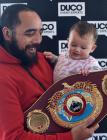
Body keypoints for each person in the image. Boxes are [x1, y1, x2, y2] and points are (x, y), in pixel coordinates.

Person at [0, 4, 99, 140]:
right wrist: (71, 137)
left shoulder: (43, 58)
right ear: (7, 34)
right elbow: (14, 137)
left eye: (40, 32)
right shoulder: (3, 78)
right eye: (30, 33)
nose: (38, 40)